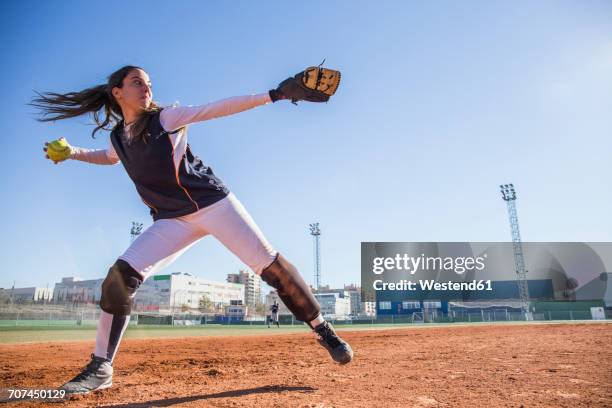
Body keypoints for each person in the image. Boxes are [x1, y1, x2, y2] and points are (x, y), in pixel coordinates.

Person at [31, 65, 353, 395]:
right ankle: (101, 367)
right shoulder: (118, 138)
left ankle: (322, 328)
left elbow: (215, 109)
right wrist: (73, 153)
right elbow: (110, 157)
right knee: (118, 278)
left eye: (149, 84)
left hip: (213, 204)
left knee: (271, 267)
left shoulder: (166, 119)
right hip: (171, 220)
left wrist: (276, 94)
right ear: (117, 92)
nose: (147, 88)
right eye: (137, 83)